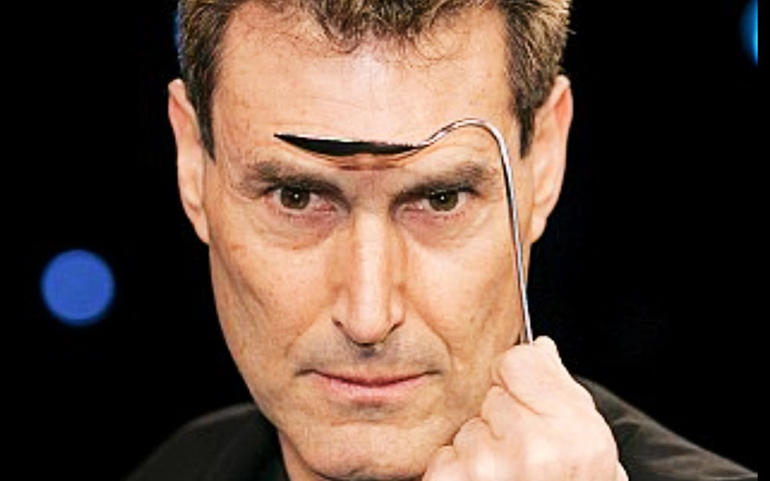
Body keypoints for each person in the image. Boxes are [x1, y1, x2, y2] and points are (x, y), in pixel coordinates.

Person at [129, 1, 757, 480]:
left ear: (544, 164)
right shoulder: (181, 466)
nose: (369, 316)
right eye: (295, 197)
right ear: (192, 163)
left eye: (441, 199)